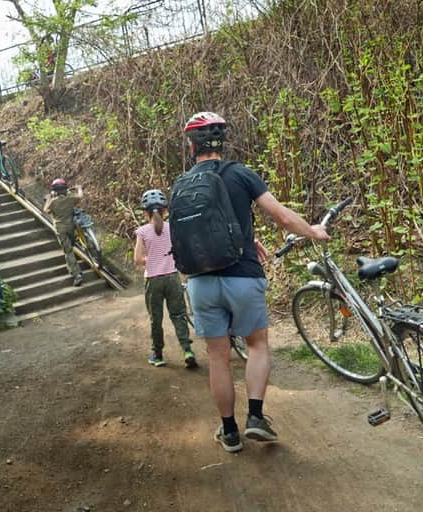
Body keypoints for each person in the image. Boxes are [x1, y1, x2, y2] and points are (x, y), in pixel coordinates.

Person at [179, 112, 330, 453]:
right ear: (222, 142)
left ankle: (229, 432)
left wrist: (247, 238)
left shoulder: (182, 184)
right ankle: (257, 418)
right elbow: (280, 215)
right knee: (257, 344)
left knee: (218, 357)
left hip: (200, 282)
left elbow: (194, 233)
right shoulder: (240, 174)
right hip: (242, 276)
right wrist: (313, 232)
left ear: (192, 146)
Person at [134, 189, 197, 369]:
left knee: (156, 318)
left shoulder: (142, 232)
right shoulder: (173, 228)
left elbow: (138, 259)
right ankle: (187, 351)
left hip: (153, 281)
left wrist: (152, 259)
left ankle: (158, 354)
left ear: (145, 212)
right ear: (166, 211)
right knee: (178, 315)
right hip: (172, 277)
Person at [43, 178, 84, 286]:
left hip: (60, 229)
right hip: (71, 226)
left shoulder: (53, 201)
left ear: (55, 191)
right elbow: (80, 196)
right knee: (71, 244)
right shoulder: (70, 198)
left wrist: (48, 198)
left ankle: (77, 274)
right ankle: (71, 267)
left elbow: (46, 210)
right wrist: (79, 188)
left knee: (68, 251)